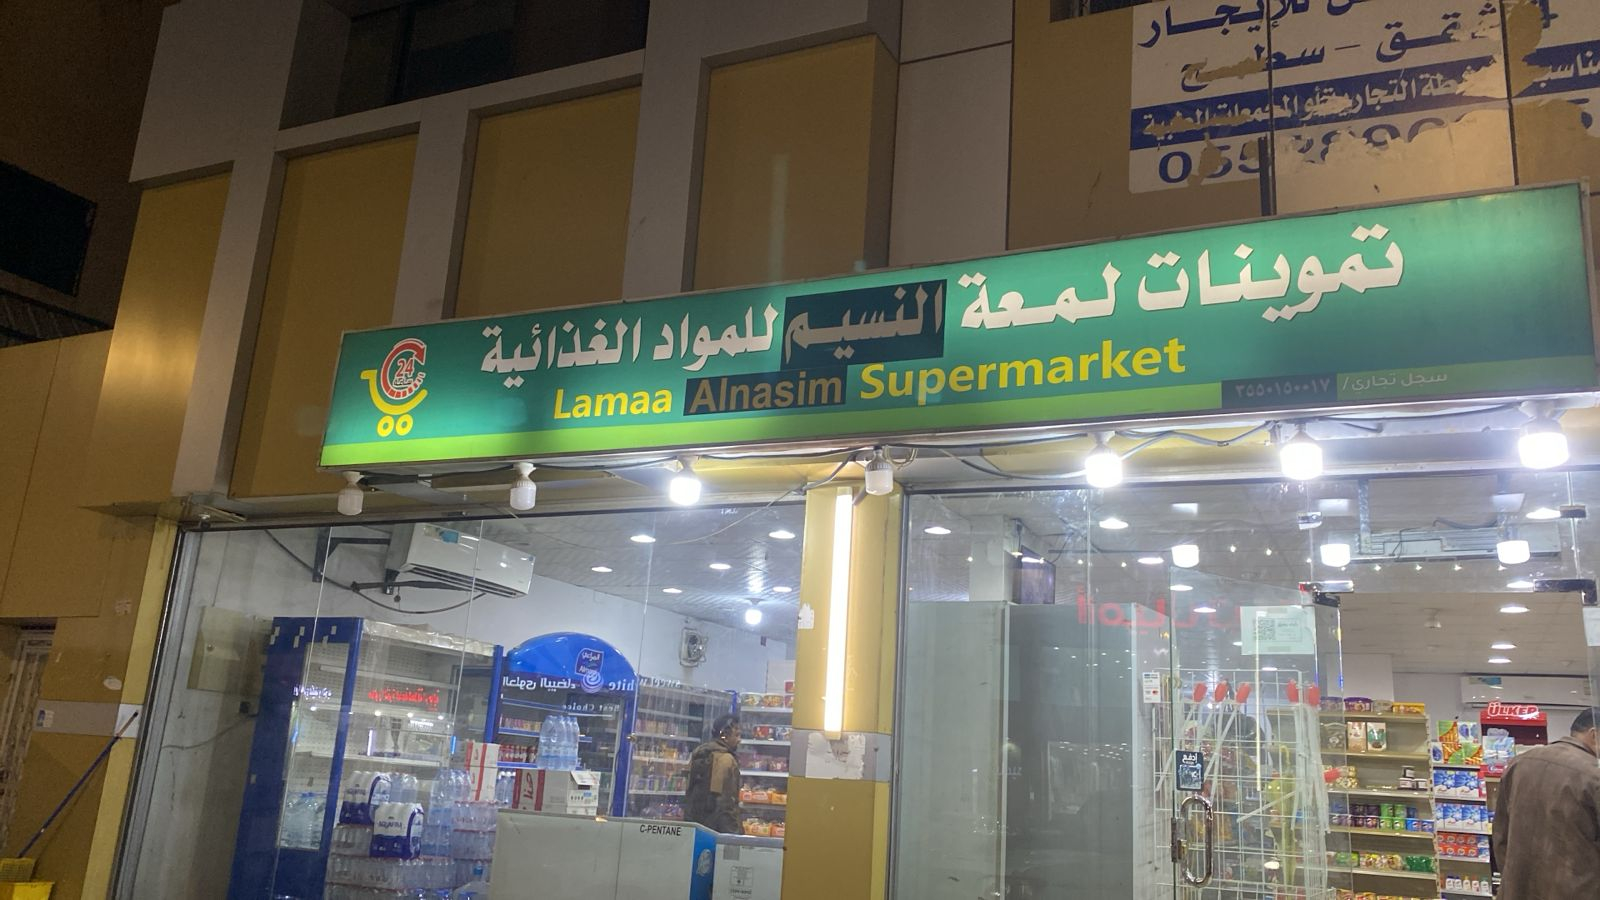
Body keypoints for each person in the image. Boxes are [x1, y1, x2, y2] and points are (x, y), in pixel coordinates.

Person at [1491, 707, 1600, 898]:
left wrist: (1513, 879)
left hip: (1517, 890)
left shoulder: (1519, 763)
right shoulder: (1593, 776)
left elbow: (1500, 835)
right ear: (1594, 735)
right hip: (1574, 892)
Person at [685, 713, 742, 833]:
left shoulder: (699, 753)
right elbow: (725, 802)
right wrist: (734, 833)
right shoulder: (725, 760)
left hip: (695, 825)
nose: (739, 740)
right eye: (736, 735)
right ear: (724, 735)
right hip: (717, 829)